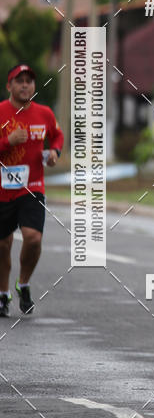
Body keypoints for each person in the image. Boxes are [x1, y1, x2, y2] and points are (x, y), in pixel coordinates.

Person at [0, 64, 63, 317]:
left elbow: (57, 136)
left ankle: (23, 284)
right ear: (9, 86)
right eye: (19, 81)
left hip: (32, 186)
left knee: (33, 238)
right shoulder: (1, 112)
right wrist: (7, 141)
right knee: (3, 246)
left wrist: (54, 153)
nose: (25, 85)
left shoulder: (44, 113)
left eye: (29, 81)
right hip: (2, 190)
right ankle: (3, 295)